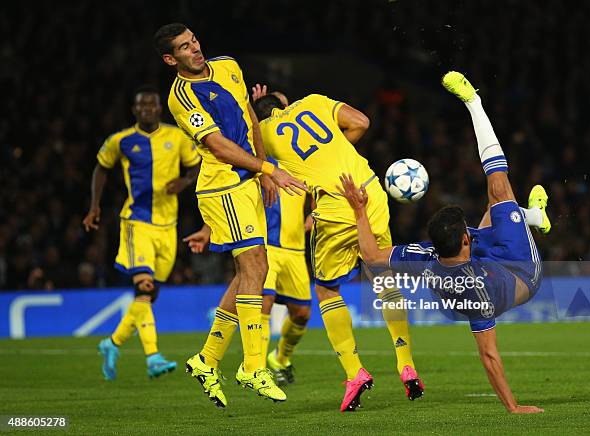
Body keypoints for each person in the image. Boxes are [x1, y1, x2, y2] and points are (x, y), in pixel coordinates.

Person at [338, 71, 551, 414]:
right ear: (465, 239)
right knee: (499, 195)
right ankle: (533, 219)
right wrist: (513, 407)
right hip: (520, 269)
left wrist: (359, 210)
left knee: (496, 199)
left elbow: (372, 255)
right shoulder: (476, 294)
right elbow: (489, 354)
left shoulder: (424, 256)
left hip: (481, 260)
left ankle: (473, 104)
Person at [153, 23, 306, 406]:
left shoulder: (228, 65)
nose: (195, 49)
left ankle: (207, 360)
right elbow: (218, 146)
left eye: (195, 41)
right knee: (256, 265)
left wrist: (263, 168)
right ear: (171, 59)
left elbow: (250, 119)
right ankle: (254, 366)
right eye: (184, 47)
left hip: (248, 179)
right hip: (222, 186)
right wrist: (269, 170)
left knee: (247, 275)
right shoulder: (182, 97)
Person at [252, 92, 424, 412]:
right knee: (382, 276)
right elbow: (361, 122)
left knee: (328, 290)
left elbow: (241, 147)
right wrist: (336, 152)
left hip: (336, 205)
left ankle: (353, 372)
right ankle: (405, 362)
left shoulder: (262, 131)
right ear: (284, 104)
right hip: (369, 189)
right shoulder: (313, 101)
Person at [185, 87, 312, 386]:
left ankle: (280, 359)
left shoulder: (297, 155)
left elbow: (316, 187)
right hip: (263, 245)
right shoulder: (254, 160)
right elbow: (232, 194)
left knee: (302, 314)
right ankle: (256, 368)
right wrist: (207, 230)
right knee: (261, 301)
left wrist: (314, 213)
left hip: (294, 248)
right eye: (280, 108)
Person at [83, 85, 201, 380]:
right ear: (135, 110)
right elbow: (100, 168)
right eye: (142, 105)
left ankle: (111, 343)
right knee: (144, 288)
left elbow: (197, 165)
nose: (147, 109)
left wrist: (185, 182)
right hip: (136, 223)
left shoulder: (176, 136)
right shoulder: (121, 141)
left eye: (152, 105)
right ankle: (153, 357)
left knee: (148, 297)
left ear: (160, 109)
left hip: (168, 226)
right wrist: (94, 206)